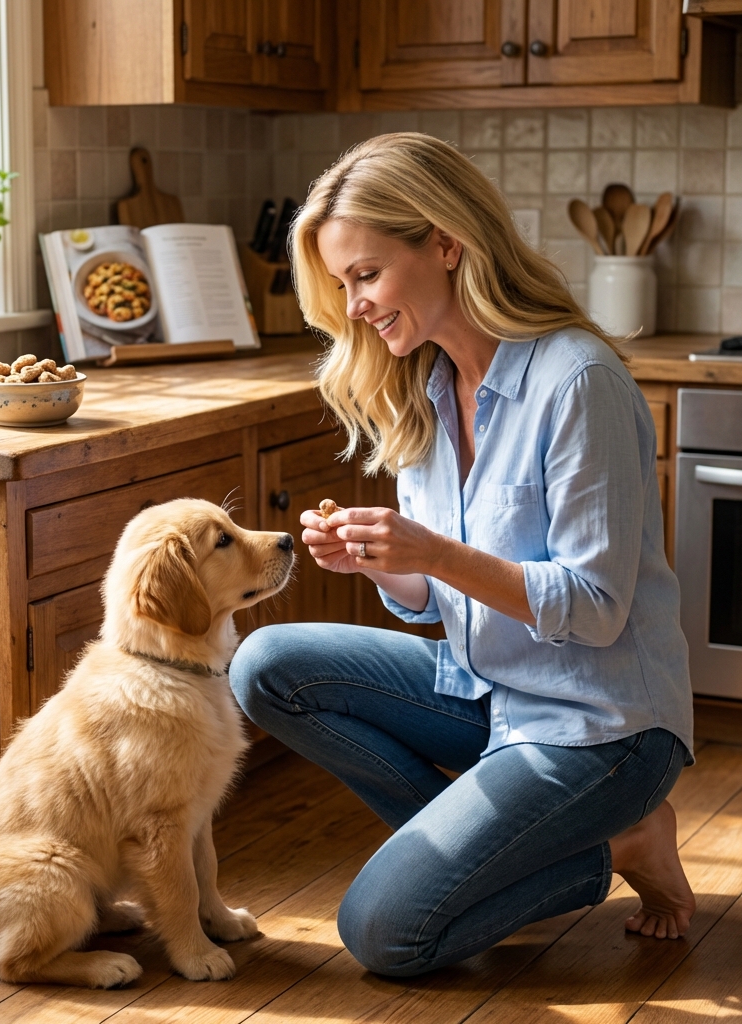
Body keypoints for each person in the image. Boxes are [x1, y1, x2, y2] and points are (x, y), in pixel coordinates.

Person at [228, 133, 696, 978]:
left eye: (366, 275)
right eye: (342, 285)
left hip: (600, 726)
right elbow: (432, 601)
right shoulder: (420, 388)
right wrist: (379, 560)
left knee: (385, 934)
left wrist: (433, 551)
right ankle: (498, 852)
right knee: (264, 662)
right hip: (490, 693)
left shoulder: (576, 381)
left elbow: (595, 608)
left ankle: (623, 839)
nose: (356, 305)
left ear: (445, 243)